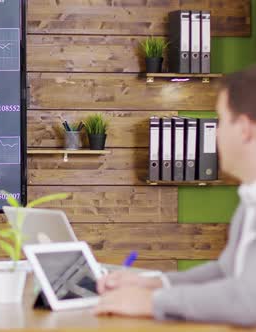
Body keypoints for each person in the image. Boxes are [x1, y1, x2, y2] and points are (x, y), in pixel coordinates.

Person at [95, 67, 256, 326]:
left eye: (221, 121)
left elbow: (249, 299)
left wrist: (153, 301)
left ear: (245, 129)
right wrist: (152, 283)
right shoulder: (250, 198)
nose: (215, 134)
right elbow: (225, 272)